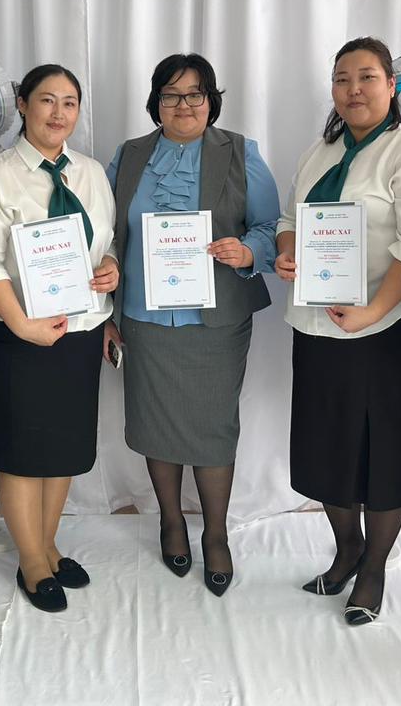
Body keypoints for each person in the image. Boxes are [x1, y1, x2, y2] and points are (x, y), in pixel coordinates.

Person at [274, 37, 401, 625]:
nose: (353, 89)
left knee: (388, 449)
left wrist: (372, 312)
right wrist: (287, 251)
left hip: (389, 329)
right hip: (318, 323)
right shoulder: (318, 152)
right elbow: (290, 219)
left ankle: (374, 567)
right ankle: (346, 547)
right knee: (327, 443)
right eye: (342, 79)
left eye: (367, 77)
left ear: (392, 86)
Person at [104, 53, 279, 596]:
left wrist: (247, 252)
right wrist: (107, 312)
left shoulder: (241, 152)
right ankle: (171, 522)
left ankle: (217, 534)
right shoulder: (128, 155)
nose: (184, 105)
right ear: (156, 102)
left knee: (213, 429)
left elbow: (271, 227)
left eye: (195, 94)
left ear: (211, 101)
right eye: (171, 95)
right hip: (144, 318)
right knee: (156, 423)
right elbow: (106, 235)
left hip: (216, 320)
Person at [0, 63, 118, 613]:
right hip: (16, 333)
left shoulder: (91, 173)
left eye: (69, 102)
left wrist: (111, 268)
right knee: (21, 449)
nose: (58, 113)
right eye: (47, 100)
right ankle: (31, 560)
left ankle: (48, 545)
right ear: (24, 105)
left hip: (79, 329)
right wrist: (21, 323)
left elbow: (106, 242)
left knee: (62, 449)